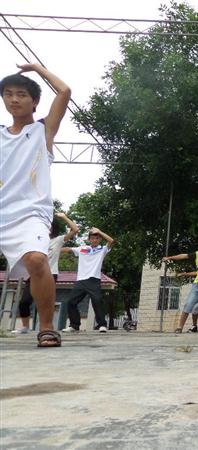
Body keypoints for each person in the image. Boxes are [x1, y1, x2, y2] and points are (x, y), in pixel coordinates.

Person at [0, 64, 70, 347]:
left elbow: (64, 91)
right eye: (8, 94)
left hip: (31, 213)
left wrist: (36, 69)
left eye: (21, 94)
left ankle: (48, 328)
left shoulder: (43, 131)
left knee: (37, 260)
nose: (14, 99)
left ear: (34, 101)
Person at [11, 213, 78, 334]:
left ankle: (47, 328)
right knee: (24, 302)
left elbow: (75, 230)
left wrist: (64, 217)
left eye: (49, 226)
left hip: (50, 274)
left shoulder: (58, 240)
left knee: (45, 303)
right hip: (34, 275)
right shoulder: (34, 241)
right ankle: (25, 327)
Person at [61, 227, 115, 332]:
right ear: (89, 239)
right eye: (93, 238)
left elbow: (111, 241)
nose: (95, 240)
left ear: (100, 239)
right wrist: (53, 248)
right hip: (81, 280)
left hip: (94, 279)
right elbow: (68, 249)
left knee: (97, 301)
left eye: (97, 238)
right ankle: (74, 326)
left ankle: (102, 325)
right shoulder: (82, 249)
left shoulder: (102, 249)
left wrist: (99, 231)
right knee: (71, 302)